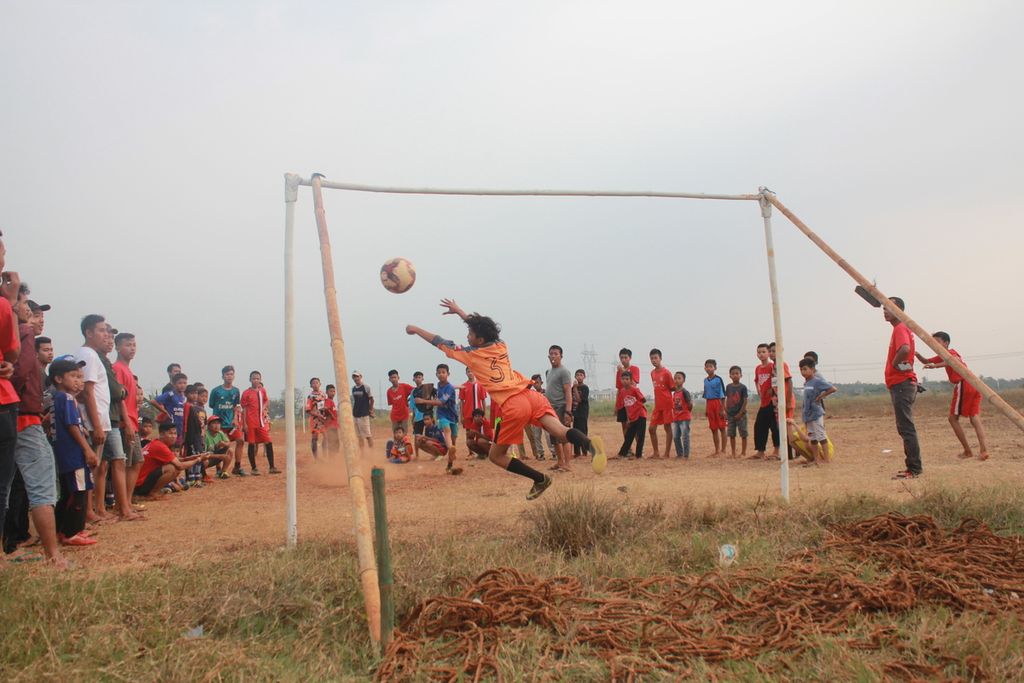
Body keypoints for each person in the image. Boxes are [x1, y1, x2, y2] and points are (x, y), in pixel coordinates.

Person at [405, 298, 595, 499]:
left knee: (496, 456)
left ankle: (540, 479)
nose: (467, 336)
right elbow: (483, 328)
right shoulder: (501, 345)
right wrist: (460, 312)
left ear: (478, 339)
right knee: (561, 431)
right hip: (532, 395)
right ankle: (590, 445)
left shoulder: (471, 354)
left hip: (514, 404)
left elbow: (440, 341)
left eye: (470, 334)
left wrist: (416, 329)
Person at [9, 294, 65, 566]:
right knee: (42, 486)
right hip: (22, 418)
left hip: (16, 416)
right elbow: (18, 373)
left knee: (10, 487)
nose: (38, 317)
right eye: (31, 310)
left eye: (40, 313)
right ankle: (53, 556)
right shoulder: (23, 333)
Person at [50, 357, 99, 546]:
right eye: (74, 376)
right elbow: (71, 425)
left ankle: (63, 530)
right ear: (59, 379)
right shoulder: (67, 398)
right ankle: (70, 532)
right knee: (78, 491)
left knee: (69, 492)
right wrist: (87, 450)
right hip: (73, 454)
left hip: (64, 454)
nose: (79, 381)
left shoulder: (58, 399)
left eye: (80, 377)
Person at [917, 331, 988, 460]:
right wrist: (916, 354)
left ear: (946, 343)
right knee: (974, 418)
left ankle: (967, 451)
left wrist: (935, 366)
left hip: (964, 383)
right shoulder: (942, 355)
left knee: (952, 419)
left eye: (937, 341)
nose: (934, 344)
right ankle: (983, 451)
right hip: (973, 383)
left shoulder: (951, 353)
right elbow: (926, 360)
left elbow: (953, 361)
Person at [883, 298, 921, 479]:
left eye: (888, 308)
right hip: (901, 383)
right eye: (883, 308)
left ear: (899, 310)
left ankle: (914, 469)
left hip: (901, 384)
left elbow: (905, 349)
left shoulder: (900, 328)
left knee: (906, 428)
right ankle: (912, 467)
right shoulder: (900, 328)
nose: (884, 311)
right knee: (904, 427)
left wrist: (895, 363)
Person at [112, 332, 145, 506]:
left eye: (133, 345)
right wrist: (127, 423)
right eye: (127, 345)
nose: (132, 348)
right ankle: (122, 503)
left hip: (132, 421)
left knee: (137, 461)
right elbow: (119, 398)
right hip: (126, 423)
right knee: (126, 464)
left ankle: (127, 500)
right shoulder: (117, 369)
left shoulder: (128, 370)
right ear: (117, 347)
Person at [134, 424, 209, 500]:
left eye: (175, 433)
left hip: (138, 482)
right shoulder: (160, 446)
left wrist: (193, 457)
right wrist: (198, 459)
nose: (173, 436)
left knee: (173, 466)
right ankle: (153, 493)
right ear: (162, 434)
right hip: (140, 485)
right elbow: (180, 466)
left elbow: (174, 460)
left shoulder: (156, 443)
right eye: (170, 433)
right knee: (172, 468)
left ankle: (153, 491)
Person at [798, 358, 837, 464]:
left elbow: (832, 388)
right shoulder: (806, 383)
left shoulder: (817, 381)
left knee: (821, 435)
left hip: (816, 413)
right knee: (812, 437)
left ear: (812, 369)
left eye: (805, 369)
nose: (803, 372)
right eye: (801, 369)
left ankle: (827, 459)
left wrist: (821, 396)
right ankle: (816, 459)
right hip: (808, 414)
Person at [210, 366, 246, 475]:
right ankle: (218, 469)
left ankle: (237, 467)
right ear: (223, 376)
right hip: (219, 424)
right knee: (219, 445)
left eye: (231, 374)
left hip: (231, 423)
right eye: (227, 374)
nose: (229, 376)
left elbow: (236, 406)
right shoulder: (216, 391)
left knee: (240, 440)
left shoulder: (236, 391)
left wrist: (235, 417)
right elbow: (211, 405)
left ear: (234, 376)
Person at [241, 370, 278, 475]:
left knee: (268, 442)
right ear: (250, 380)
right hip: (250, 422)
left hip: (261, 422)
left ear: (260, 379)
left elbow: (266, 400)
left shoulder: (263, 391)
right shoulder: (246, 393)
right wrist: (244, 424)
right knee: (251, 444)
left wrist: (263, 408)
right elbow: (243, 409)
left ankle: (272, 467)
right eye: (253, 378)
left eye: (257, 378)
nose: (255, 380)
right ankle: (254, 468)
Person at [545, 345, 574, 472]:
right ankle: (560, 462)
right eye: (551, 353)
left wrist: (568, 411)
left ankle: (567, 464)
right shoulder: (549, 372)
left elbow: (568, 392)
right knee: (554, 437)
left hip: (561, 407)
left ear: (561, 356)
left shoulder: (564, 372)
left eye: (556, 353)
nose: (553, 356)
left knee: (564, 436)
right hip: (550, 408)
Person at [768, 342, 797, 460]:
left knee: (787, 427)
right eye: (771, 351)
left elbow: (789, 382)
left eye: (774, 351)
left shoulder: (782, 364)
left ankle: (792, 453)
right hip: (778, 401)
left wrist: (788, 400)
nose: (772, 353)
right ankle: (787, 453)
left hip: (786, 400)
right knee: (781, 428)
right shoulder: (773, 367)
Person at [751, 343, 779, 459]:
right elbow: (756, 381)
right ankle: (760, 451)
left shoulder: (773, 366)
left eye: (763, 352)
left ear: (768, 353)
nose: (761, 354)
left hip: (772, 401)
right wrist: (759, 391)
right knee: (759, 426)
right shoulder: (758, 368)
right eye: (759, 352)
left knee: (774, 426)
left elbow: (777, 380)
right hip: (763, 402)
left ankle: (777, 450)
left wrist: (773, 392)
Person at [648, 349, 674, 459]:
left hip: (667, 404)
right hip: (657, 406)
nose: (654, 360)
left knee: (667, 428)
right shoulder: (652, 373)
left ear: (660, 358)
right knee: (651, 428)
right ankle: (656, 452)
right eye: (652, 358)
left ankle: (667, 453)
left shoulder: (666, 373)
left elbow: (672, 387)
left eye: (656, 358)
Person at [617, 371, 647, 459]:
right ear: (620, 380)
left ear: (631, 380)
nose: (625, 381)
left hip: (640, 415)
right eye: (623, 379)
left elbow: (643, 399)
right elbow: (625, 406)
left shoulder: (634, 389)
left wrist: (636, 407)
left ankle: (639, 455)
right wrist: (628, 418)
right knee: (629, 435)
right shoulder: (622, 392)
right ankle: (622, 454)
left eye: (627, 379)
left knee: (640, 436)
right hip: (632, 417)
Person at [458, 368, 488, 458]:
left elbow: (483, 400)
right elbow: (461, 402)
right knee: (469, 433)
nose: (470, 373)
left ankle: (482, 452)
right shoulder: (463, 386)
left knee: (479, 433)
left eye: (472, 371)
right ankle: (470, 452)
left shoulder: (480, 385)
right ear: (466, 373)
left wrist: (484, 414)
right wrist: (461, 415)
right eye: (468, 372)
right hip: (467, 413)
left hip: (478, 415)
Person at [152, 373, 187, 447]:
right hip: (170, 426)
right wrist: (164, 412)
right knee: (169, 447)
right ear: (174, 384)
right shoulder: (170, 394)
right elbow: (153, 401)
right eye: (180, 383)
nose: (182, 385)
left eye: (184, 383)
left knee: (178, 449)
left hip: (180, 427)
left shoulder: (184, 397)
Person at [615, 348, 641, 443]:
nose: (623, 360)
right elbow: (619, 388)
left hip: (632, 402)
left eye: (625, 357)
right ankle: (627, 449)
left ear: (630, 358)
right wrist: (616, 405)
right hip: (622, 402)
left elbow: (634, 384)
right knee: (624, 425)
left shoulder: (634, 369)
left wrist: (623, 371)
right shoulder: (618, 372)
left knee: (634, 426)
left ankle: (639, 449)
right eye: (621, 358)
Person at [702, 360, 727, 456]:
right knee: (713, 428)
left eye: (710, 366)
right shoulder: (705, 380)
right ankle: (717, 450)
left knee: (722, 427)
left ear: (715, 368)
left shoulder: (718, 379)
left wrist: (722, 408)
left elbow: (723, 395)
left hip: (718, 403)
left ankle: (723, 450)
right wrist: (706, 409)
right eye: (707, 366)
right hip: (709, 404)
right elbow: (706, 395)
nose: (708, 368)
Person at [725, 366, 749, 457]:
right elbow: (727, 399)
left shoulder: (743, 387)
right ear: (730, 376)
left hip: (741, 415)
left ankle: (743, 452)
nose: (735, 375)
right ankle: (733, 453)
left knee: (743, 433)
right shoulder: (728, 387)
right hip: (730, 414)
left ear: (741, 375)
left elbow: (745, 400)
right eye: (733, 374)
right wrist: (726, 411)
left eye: (737, 373)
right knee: (731, 434)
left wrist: (740, 413)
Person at [385, 370, 414, 436]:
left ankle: (405, 446)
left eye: (395, 377)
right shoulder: (389, 391)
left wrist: (410, 400)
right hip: (395, 415)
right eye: (392, 378)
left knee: (404, 434)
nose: (394, 379)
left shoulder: (404, 386)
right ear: (389, 379)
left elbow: (415, 391)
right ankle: (396, 446)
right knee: (396, 434)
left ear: (398, 377)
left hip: (404, 414)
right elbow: (391, 403)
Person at [671, 371, 693, 458]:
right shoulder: (674, 393)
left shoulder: (685, 392)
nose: (677, 380)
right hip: (676, 418)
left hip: (684, 418)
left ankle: (686, 455)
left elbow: (690, 404)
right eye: (675, 378)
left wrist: (686, 412)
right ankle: (679, 454)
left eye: (679, 378)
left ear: (684, 380)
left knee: (685, 437)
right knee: (676, 437)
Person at [350, 371, 374, 449]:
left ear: (361, 376)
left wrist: (370, 410)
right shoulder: (353, 388)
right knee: (359, 436)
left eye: (357, 376)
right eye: (354, 377)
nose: (356, 378)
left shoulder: (366, 387)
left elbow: (371, 399)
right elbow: (355, 400)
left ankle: (372, 451)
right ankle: (362, 453)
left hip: (364, 414)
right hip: (356, 414)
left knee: (367, 435)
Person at [306, 377, 328, 459]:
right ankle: (316, 458)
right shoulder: (310, 396)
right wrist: (318, 415)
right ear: (311, 386)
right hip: (315, 420)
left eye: (317, 383)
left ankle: (325, 455)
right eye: (313, 383)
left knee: (326, 437)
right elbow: (308, 410)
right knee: (315, 438)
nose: (315, 384)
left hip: (323, 419)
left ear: (320, 384)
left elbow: (326, 405)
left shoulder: (323, 394)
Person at [571, 369, 590, 456]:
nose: (579, 377)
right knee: (575, 432)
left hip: (582, 413)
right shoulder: (572, 388)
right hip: (575, 413)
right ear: (575, 377)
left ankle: (584, 450)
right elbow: (571, 400)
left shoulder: (585, 388)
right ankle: (577, 452)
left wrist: (575, 388)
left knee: (583, 431)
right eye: (577, 375)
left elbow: (579, 399)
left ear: (584, 377)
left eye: (581, 375)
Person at [324, 384, 339, 456]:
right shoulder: (328, 401)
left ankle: (333, 458)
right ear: (326, 392)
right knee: (333, 443)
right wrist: (332, 415)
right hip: (331, 426)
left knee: (336, 443)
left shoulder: (332, 401)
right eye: (330, 391)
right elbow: (326, 408)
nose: (332, 393)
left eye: (334, 391)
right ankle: (332, 459)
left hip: (334, 425)